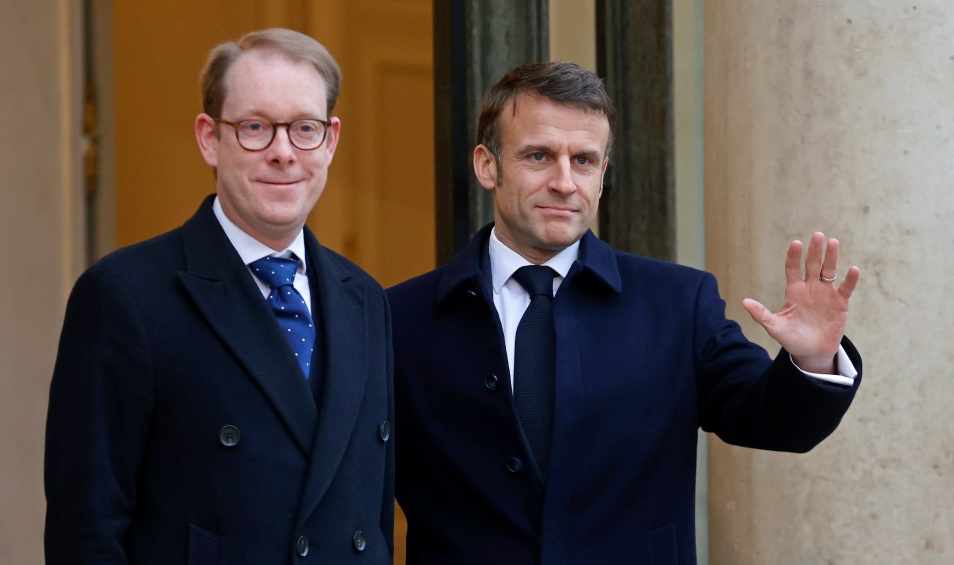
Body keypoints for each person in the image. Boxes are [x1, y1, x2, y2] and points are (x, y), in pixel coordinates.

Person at [387, 61, 862, 564]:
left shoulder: (678, 302)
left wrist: (812, 362)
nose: (565, 182)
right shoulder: (400, 317)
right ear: (488, 165)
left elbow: (773, 421)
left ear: (603, 172)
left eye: (585, 161)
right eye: (539, 156)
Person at [44, 28, 394, 564]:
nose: (283, 153)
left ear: (331, 140)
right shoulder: (124, 297)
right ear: (210, 137)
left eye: (304, 128)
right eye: (255, 127)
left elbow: (370, 514)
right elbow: (86, 533)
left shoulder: (366, 300)